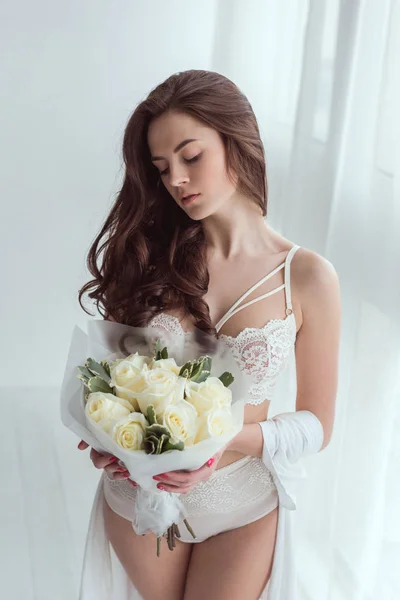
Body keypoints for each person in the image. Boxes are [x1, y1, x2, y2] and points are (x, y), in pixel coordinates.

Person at [76, 69, 341, 600]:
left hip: (243, 501)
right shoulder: (149, 260)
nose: (175, 179)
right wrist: (105, 439)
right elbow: (111, 383)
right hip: (141, 502)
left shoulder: (307, 277)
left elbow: (317, 424)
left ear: (236, 142)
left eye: (191, 156)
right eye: (161, 167)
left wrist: (222, 444)